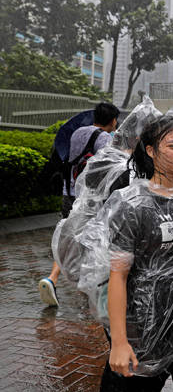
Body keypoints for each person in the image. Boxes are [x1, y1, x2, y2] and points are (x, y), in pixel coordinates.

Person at [96, 116, 173, 392]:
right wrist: (119, 343)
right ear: (150, 150)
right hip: (145, 321)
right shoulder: (131, 204)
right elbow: (118, 277)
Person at [39, 101, 119, 307]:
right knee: (95, 239)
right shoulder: (103, 138)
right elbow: (105, 168)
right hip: (88, 198)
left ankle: (52, 278)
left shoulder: (78, 132)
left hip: (69, 192)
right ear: (112, 120)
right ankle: (93, 288)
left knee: (68, 238)